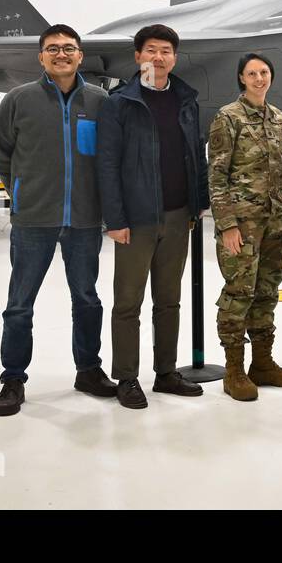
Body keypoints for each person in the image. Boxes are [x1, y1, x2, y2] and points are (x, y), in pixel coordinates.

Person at [0, 24, 115, 416]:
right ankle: (12, 378)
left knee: (87, 299)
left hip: (83, 221)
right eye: (53, 49)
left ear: (80, 56)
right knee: (20, 305)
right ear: (41, 57)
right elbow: (0, 152)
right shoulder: (18, 99)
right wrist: (23, 192)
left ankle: (89, 371)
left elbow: (107, 157)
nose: (62, 54)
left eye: (69, 48)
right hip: (33, 220)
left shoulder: (99, 101)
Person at [97, 24, 208, 409]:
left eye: (166, 51)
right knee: (128, 302)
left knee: (169, 300)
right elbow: (107, 164)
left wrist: (197, 206)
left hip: (179, 216)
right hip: (137, 219)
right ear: (138, 56)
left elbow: (196, 154)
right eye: (151, 50)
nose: (158, 58)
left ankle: (166, 372)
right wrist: (115, 219)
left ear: (174, 58)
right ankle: (127, 377)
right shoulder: (119, 103)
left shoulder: (185, 99)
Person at [207, 53, 282, 402]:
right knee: (238, 293)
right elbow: (217, 174)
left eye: (264, 72)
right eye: (252, 73)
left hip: (275, 223)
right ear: (242, 79)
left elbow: (281, 172)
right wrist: (227, 224)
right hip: (242, 225)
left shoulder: (278, 118)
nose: (259, 78)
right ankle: (234, 371)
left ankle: (262, 363)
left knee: (267, 292)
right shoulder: (227, 118)